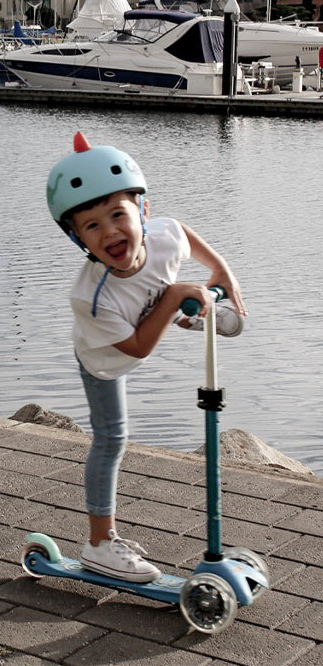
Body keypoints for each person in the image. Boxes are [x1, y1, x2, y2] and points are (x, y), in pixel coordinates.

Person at [46, 131, 247, 583]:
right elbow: (136, 347)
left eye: (119, 214)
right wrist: (175, 295)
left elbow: (183, 233)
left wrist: (222, 271)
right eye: (92, 226)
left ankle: (189, 313)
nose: (111, 231)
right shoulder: (91, 298)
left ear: (143, 212)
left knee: (176, 297)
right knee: (111, 439)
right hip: (106, 357)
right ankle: (99, 543)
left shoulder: (162, 237)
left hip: (148, 312)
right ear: (78, 239)